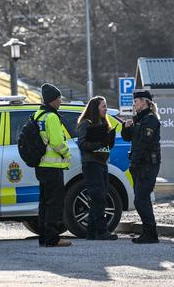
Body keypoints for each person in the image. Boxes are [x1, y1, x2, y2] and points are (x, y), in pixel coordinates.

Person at [34, 83, 72, 247]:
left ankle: (44, 236)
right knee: (55, 203)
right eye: (59, 98)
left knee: (44, 203)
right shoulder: (52, 117)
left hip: (41, 165)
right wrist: (67, 153)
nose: (60, 101)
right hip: (53, 166)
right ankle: (53, 238)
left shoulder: (38, 115)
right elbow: (57, 143)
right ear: (52, 100)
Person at [120, 90, 161, 244]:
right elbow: (127, 137)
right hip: (140, 164)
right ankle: (149, 232)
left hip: (147, 165)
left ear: (144, 102)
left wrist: (134, 163)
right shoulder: (139, 120)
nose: (134, 104)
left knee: (140, 200)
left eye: (136, 101)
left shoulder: (150, 120)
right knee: (142, 199)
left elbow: (144, 143)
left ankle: (150, 233)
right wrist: (126, 126)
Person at [76, 96, 118, 240]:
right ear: (95, 108)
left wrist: (109, 140)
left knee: (101, 196)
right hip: (91, 164)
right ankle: (102, 231)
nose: (106, 109)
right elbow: (82, 144)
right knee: (98, 196)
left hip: (102, 163)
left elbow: (107, 145)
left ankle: (91, 232)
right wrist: (99, 143)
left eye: (105, 106)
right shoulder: (85, 124)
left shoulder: (104, 123)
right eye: (103, 106)